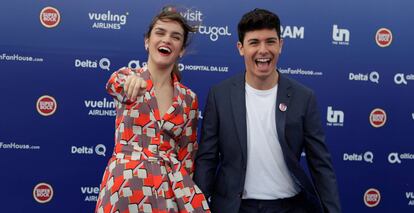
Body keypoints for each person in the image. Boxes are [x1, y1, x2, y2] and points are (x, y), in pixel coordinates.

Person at [194, 8, 341, 213]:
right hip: (235, 207)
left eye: (270, 41)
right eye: (254, 42)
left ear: (280, 45)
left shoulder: (304, 97)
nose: (263, 50)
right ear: (240, 48)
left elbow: (321, 165)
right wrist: (196, 208)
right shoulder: (220, 95)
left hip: (290, 207)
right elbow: (207, 159)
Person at [96, 8, 210, 213]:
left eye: (175, 37)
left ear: (181, 50)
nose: (167, 39)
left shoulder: (188, 98)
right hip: (125, 188)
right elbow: (113, 84)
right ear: (147, 41)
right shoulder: (128, 76)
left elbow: (187, 155)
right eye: (160, 32)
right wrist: (130, 81)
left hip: (167, 191)